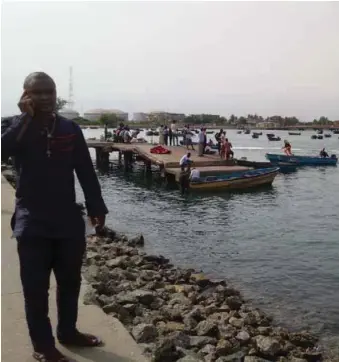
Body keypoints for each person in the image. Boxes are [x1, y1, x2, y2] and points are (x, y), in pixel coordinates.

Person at [1, 72, 108, 362]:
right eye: (38, 92)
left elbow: (85, 171)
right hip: (31, 220)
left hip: (67, 219)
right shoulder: (13, 126)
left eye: (50, 92)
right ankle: (43, 345)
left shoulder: (70, 128)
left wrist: (97, 207)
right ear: (25, 95)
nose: (46, 97)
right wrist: (26, 119)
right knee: (35, 289)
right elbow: (2, 150)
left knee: (70, 282)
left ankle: (68, 331)